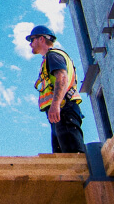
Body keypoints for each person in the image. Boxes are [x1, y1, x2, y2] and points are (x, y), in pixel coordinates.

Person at [27, 25, 85, 153]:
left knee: (73, 157)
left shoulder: (53, 55)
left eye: (32, 40)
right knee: (62, 159)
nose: (30, 44)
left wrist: (56, 104)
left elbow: (62, 77)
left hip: (63, 110)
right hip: (59, 113)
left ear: (41, 39)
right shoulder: (50, 58)